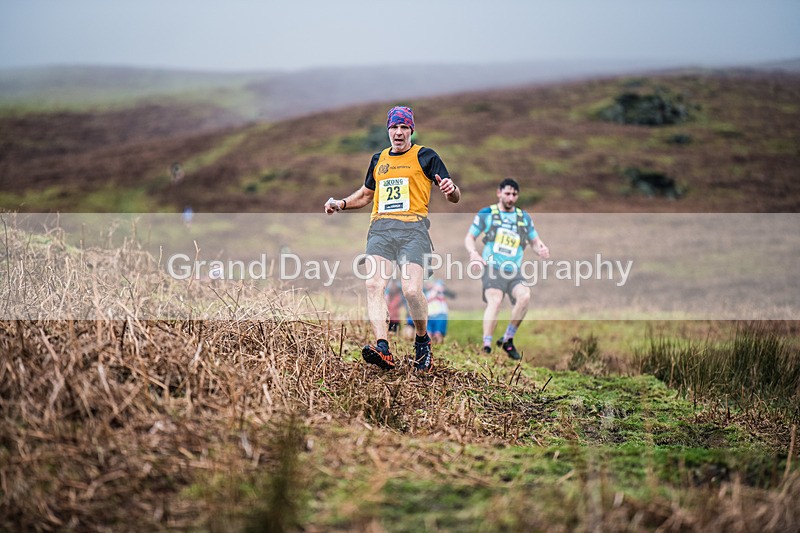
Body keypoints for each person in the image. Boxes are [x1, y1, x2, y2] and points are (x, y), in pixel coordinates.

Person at [325, 105, 460, 371]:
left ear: (411, 129)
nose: (398, 132)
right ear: (388, 130)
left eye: (403, 127)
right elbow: (366, 195)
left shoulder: (426, 156)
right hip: (380, 231)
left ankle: (422, 341)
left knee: (411, 290)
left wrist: (451, 188)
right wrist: (340, 203)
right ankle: (383, 347)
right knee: (374, 285)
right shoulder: (379, 160)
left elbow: (455, 195)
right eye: (394, 127)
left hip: (414, 231)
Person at [464, 178, 549, 360]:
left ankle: (507, 339)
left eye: (514, 194)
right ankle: (486, 346)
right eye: (507, 193)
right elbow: (470, 237)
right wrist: (473, 253)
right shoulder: (488, 213)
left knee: (525, 296)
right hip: (492, 267)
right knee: (495, 301)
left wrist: (541, 248)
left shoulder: (523, 217)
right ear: (499, 193)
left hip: (514, 270)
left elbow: (534, 241)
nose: (511, 198)